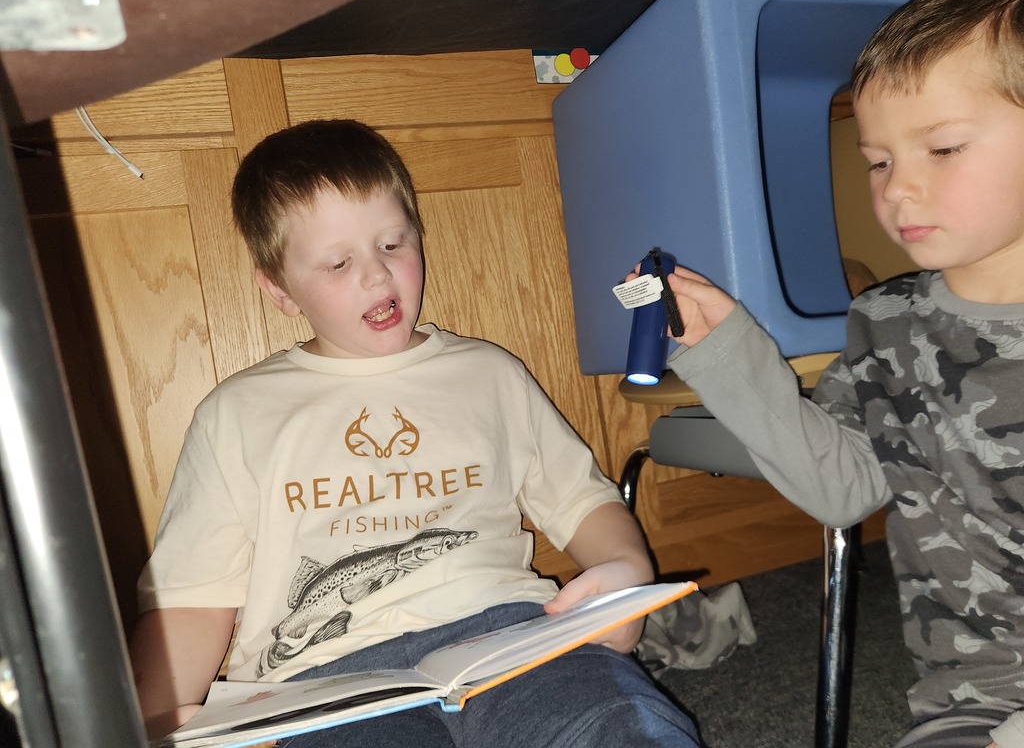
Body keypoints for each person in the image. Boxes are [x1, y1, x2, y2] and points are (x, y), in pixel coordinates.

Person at [128, 118, 701, 748]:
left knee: (620, 728)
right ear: (280, 289)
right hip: (326, 678)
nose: (377, 276)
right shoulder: (234, 416)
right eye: (339, 262)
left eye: (393, 245)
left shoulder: (488, 373)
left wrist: (624, 567)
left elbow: (578, 498)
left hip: (509, 634)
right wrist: (145, 724)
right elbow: (191, 599)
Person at [637, 0, 1024, 746]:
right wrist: (728, 351)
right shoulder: (883, 323)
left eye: (942, 148)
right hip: (975, 698)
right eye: (877, 161)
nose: (898, 188)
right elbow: (844, 488)